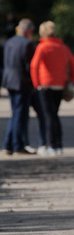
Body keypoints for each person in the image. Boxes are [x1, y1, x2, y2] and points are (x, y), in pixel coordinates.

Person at [30, 21, 74, 155]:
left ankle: (51, 145)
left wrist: (36, 84)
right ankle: (58, 145)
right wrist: (71, 81)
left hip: (45, 85)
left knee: (49, 116)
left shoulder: (42, 47)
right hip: (59, 85)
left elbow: (34, 65)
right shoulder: (62, 47)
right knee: (55, 115)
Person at [2, 18, 37, 155]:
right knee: (20, 115)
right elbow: (30, 66)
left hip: (9, 81)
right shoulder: (27, 44)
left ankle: (8, 145)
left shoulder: (9, 42)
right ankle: (18, 146)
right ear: (29, 31)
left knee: (15, 114)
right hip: (21, 83)